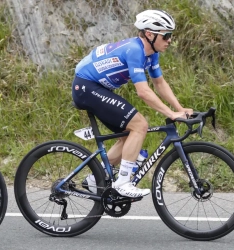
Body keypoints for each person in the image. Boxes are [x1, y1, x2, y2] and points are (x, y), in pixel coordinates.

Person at [72, 9, 193, 198]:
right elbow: (143, 92)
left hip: (95, 87)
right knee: (140, 125)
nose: (170, 40)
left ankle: (95, 179)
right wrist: (171, 114)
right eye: (166, 35)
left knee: (129, 135)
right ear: (150, 34)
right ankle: (123, 183)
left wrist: (179, 109)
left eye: (171, 35)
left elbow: (159, 83)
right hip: (86, 87)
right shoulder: (135, 50)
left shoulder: (151, 53)